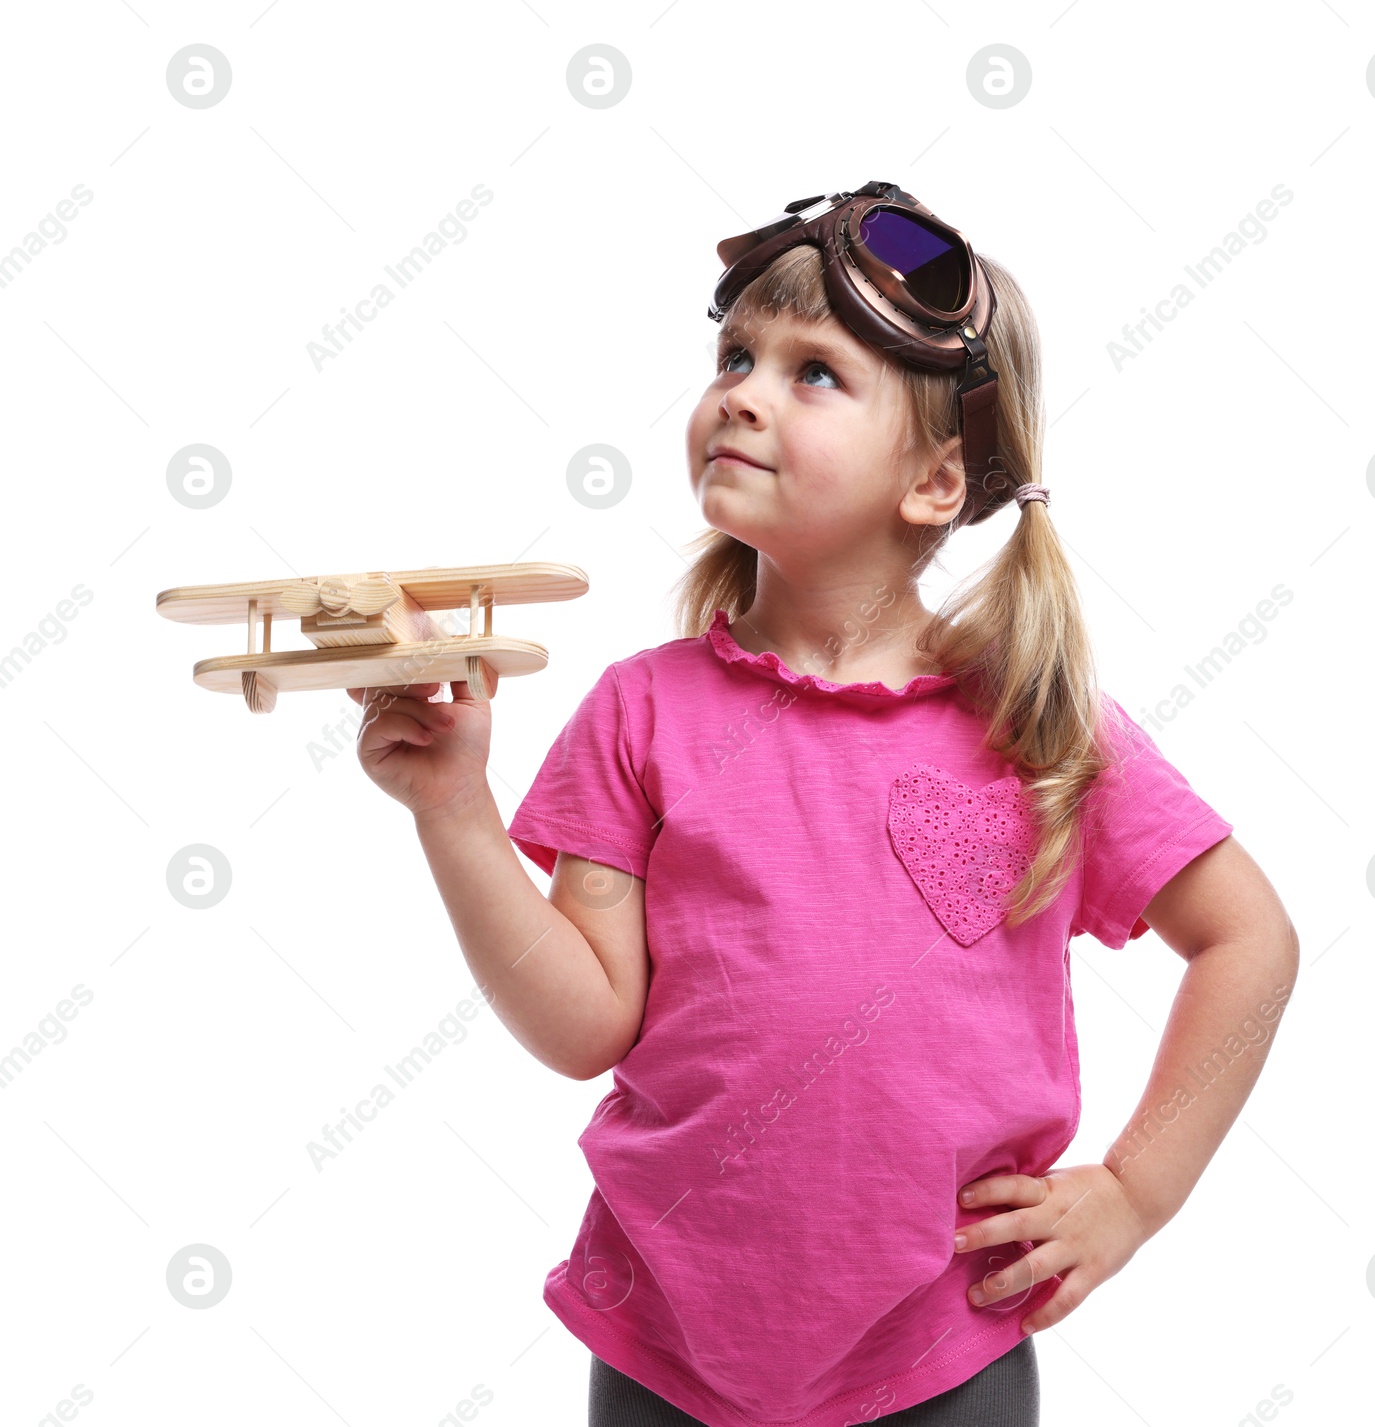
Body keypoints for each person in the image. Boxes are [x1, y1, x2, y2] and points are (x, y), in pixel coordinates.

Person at [346, 184, 1300, 1427]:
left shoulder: (1037, 724)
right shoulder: (643, 713)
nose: (739, 390)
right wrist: (454, 809)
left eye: (813, 374)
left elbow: (1251, 940)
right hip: (664, 1343)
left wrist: (1133, 1189)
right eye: (735, 355)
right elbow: (586, 1023)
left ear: (935, 480)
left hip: (941, 1345)